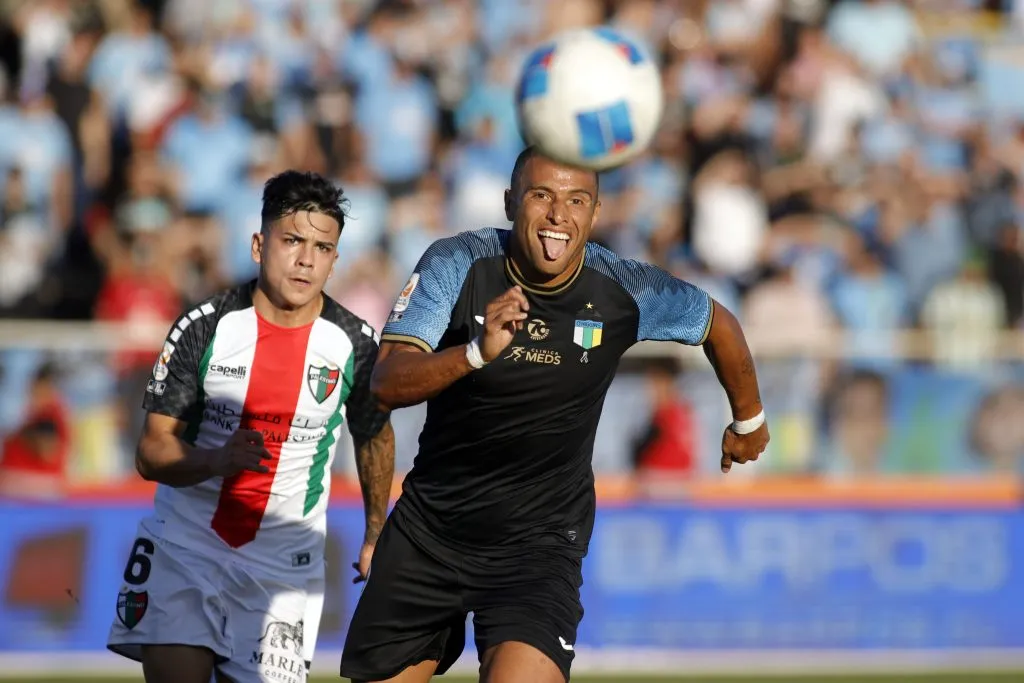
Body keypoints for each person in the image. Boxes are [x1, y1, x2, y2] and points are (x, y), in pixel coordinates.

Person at [340, 147, 770, 683]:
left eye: (576, 200)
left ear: (594, 212)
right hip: (431, 534)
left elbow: (718, 324)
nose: (557, 215)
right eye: (541, 195)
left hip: (538, 549)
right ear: (509, 202)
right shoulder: (458, 262)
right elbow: (386, 382)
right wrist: (476, 351)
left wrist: (748, 420)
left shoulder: (625, 289)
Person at [107, 170, 395, 683]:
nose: (306, 259)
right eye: (292, 241)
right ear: (260, 245)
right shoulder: (204, 326)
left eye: (322, 247)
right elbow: (150, 453)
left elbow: (375, 434)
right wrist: (216, 461)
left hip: (285, 564)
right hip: (186, 546)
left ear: (336, 259)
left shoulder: (355, 343)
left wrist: (375, 533)